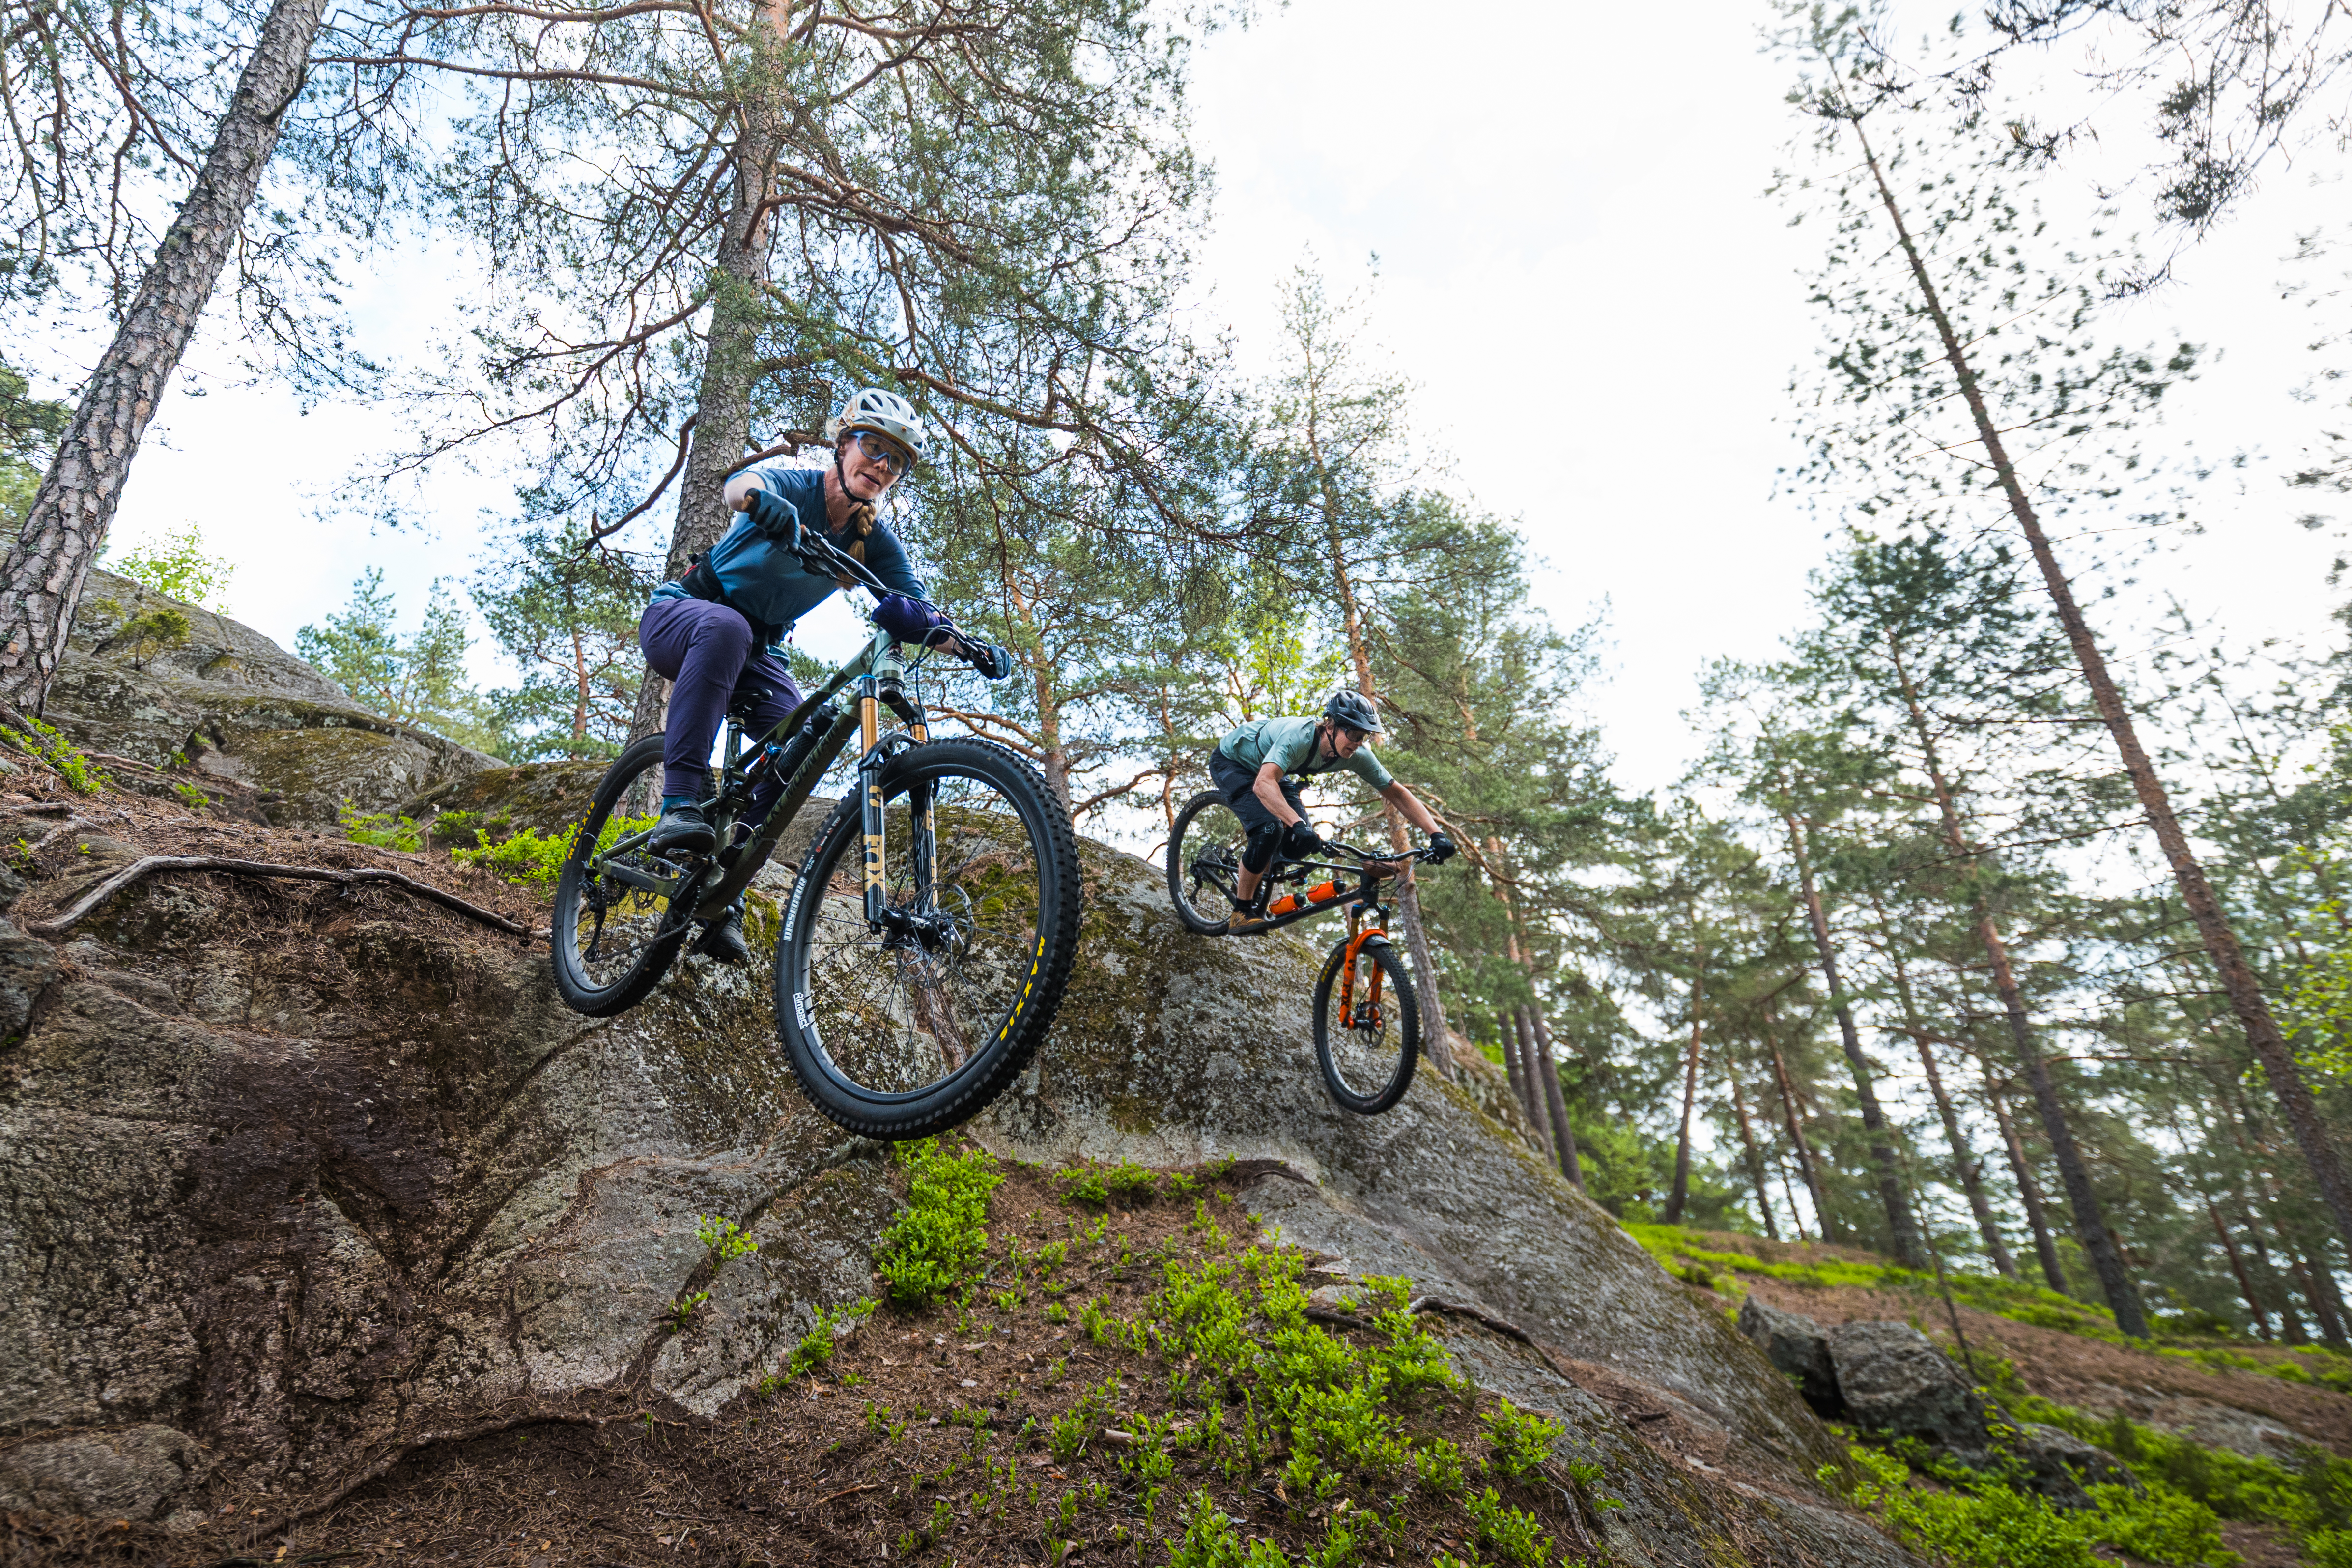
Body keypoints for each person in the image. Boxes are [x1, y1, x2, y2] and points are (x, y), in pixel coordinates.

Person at [637, 386, 978, 963]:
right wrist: (762, 504)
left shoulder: (872, 541)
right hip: (685, 617)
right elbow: (737, 487)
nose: (881, 464)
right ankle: (679, 805)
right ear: (842, 445)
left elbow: (917, 607)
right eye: (872, 446)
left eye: (894, 459)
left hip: (758, 651)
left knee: (804, 741)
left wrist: (967, 644)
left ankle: (725, 889)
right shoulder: (796, 485)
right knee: (727, 629)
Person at [1208, 690, 1455, 931]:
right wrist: (1296, 824)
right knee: (1270, 830)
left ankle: (1257, 869)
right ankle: (1241, 911)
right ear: (1331, 726)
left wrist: (1436, 834)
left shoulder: (1356, 755)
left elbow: (1396, 793)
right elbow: (1263, 784)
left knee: (1301, 842)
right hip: (1235, 762)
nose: (1358, 744)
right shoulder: (1299, 737)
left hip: (1273, 771)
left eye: (1364, 737)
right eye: (1354, 734)